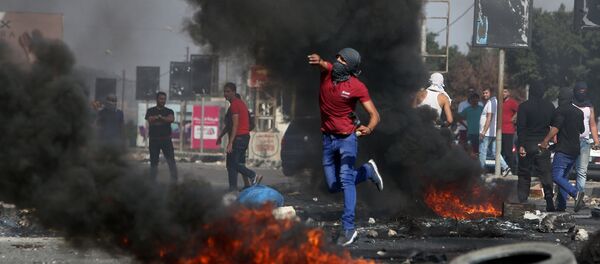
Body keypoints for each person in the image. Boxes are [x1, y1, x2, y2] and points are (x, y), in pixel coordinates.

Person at [307, 48, 383, 246]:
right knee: (333, 186)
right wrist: (318, 60)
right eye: (337, 58)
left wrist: (370, 128)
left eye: (342, 60)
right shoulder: (328, 72)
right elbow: (324, 64)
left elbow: (374, 115)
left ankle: (348, 228)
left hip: (347, 139)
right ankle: (367, 171)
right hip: (327, 139)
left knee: (346, 179)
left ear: (349, 67)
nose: (338, 61)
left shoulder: (357, 86)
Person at [539, 88, 585, 212]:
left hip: (564, 150)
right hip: (575, 150)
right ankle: (561, 206)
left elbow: (556, 128)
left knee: (555, 176)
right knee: (563, 178)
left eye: (559, 99)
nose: (558, 101)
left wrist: (545, 141)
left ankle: (576, 194)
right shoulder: (579, 112)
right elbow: (582, 130)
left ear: (562, 99)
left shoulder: (560, 111)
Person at [515, 81, 555, 211]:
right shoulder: (550, 107)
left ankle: (522, 201)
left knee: (524, 173)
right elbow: (554, 126)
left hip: (527, 144)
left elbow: (521, 128)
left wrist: (521, 146)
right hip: (543, 145)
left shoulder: (524, 107)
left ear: (530, 92)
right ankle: (549, 201)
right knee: (545, 174)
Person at [216, 83, 261, 192]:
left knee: (233, 164)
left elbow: (235, 125)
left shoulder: (235, 105)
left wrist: (230, 142)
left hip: (239, 138)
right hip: (243, 138)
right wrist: (221, 136)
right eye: (224, 91)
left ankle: (252, 175)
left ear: (234, 92)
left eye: (228, 91)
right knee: (235, 164)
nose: (225, 94)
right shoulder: (240, 104)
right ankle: (234, 189)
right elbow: (231, 125)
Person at [572, 82, 600, 196]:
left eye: (584, 91)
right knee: (566, 171)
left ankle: (580, 195)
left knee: (582, 171)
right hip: (570, 141)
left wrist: (596, 141)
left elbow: (592, 124)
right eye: (580, 91)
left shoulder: (589, 106)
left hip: (584, 142)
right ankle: (562, 196)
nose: (582, 93)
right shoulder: (570, 104)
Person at [145, 92, 178, 183]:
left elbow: (171, 119)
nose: (162, 101)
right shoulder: (150, 110)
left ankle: (174, 181)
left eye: (164, 99)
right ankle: (152, 182)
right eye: (161, 99)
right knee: (154, 163)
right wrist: (161, 118)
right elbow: (150, 119)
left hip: (166, 140)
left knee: (171, 161)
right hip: (154, 140)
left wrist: (160, 118)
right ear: (157, 99)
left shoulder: (169, 111)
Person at [479, 88, 510, 175]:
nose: (484, 95)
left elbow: (489, 117)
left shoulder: (491, 102)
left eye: (486, 93)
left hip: (487, 132)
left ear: (491, 93)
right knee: (494, 151)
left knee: (482, 151)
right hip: (491, 132)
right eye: (483, 93)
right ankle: (506, 167)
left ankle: (481, 171)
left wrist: (483, 131)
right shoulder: (493, 102)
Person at [501, 88, 519, 173]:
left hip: (508, 131)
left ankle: (511, 169)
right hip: (499, 131)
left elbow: (519, 111)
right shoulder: (499, 102)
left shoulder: (512, 102)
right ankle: (503, 169)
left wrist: (513, 118)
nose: (503, 93)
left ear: (508, 93)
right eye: (502, 91)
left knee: (508, 152)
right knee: (500, 152)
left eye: (505, 92)